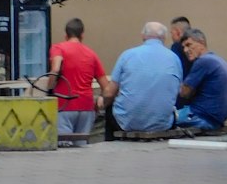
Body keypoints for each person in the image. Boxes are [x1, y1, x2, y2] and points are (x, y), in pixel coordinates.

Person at [102, 21, 182, 138]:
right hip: (163, 124)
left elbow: (109, 93)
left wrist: (101, 102)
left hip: (126, 123)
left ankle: (109, 149)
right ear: (164, 38)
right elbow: (178, 91)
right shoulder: (174, 59)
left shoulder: (127, 55)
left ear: (143, 36)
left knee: (109, 107)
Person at [48, 17, 110, 146]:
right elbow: (106, 87)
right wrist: (101, 99)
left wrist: (50, 89)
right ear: (82, 35)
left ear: (66, 35)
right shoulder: (91, 54)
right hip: (87, 107)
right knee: (81, 149)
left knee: (64, 147)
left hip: (64, 106)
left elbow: (55, 68)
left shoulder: (58, 48)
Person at [176, 29, 227, 130]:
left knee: (162, 118)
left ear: (201, 42)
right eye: (183, 47)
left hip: (201, 117)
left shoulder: (203, 61)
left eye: (189, 45)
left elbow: (184, 93)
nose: (185, 50)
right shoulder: (217, 59)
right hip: (216, 120)